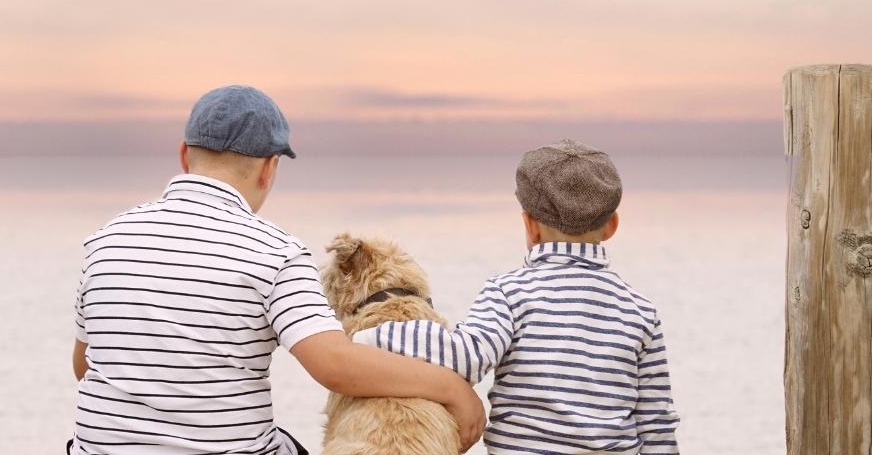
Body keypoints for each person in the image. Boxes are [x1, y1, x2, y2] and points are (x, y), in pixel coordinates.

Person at [70, 85, 485, 454]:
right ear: (269, 168)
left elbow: (85, 365)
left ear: (184, 154)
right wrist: (450, 388)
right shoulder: (274, 251)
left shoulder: (105, 239)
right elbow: (337, 367)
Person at [353, 140, 680, 454]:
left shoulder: (509, 293)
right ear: (612, 226)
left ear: (530, 224)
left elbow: (464, 356)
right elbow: (657, 424)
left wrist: (370, 336)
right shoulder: (640, 311)